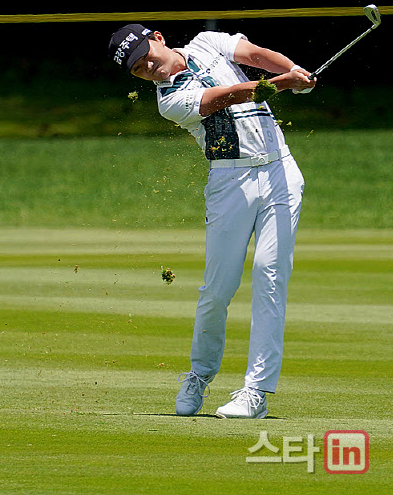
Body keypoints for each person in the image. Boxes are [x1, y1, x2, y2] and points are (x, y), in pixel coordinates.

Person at [108, 23, 315, 418]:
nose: (148, 66)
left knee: (270, 274)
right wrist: (279, 85)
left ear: (158, 38)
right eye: (137, 69)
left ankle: (255, 391)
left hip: (280, 172)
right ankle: (200, 376)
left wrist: (294, 72)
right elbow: (223, 98)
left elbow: (255, 57)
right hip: (230, 180)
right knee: (217, 290)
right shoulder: (169, 101)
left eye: (146, 55)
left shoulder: (208, 42)